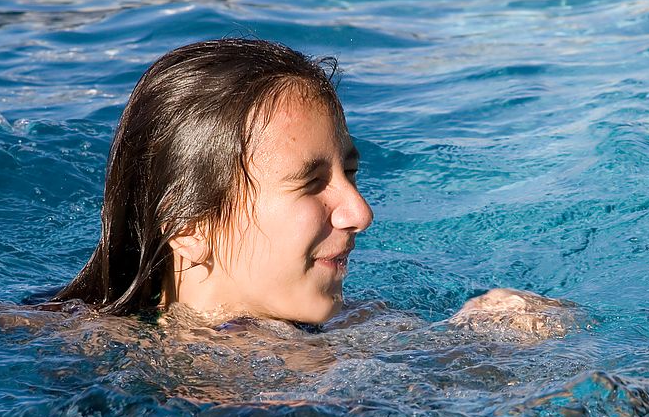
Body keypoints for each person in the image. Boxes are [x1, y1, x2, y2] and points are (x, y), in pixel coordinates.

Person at [54, 38, 572, 339]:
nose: (359, 212)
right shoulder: (73, 358)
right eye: (310, 183)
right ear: (188, 224)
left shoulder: (360, 324)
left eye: (350, 172)